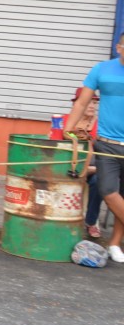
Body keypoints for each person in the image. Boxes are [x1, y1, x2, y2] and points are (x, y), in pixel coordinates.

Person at [65, 32, 124, 263]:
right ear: (119, 47)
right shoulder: (101, 70)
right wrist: (68, 131)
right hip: (107, 146)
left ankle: (114, 245)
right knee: (109, 193)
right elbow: (81, 102)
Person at [68, 87, 101, 239]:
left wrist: (91, 169)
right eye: (89, 102)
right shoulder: (64, 121)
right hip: (67, 165)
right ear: (78, 104)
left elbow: (103, 155)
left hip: (92, 168)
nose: (92, 106)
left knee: (99, 181)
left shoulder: (101, 126)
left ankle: (91, 221)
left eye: (95, 103)